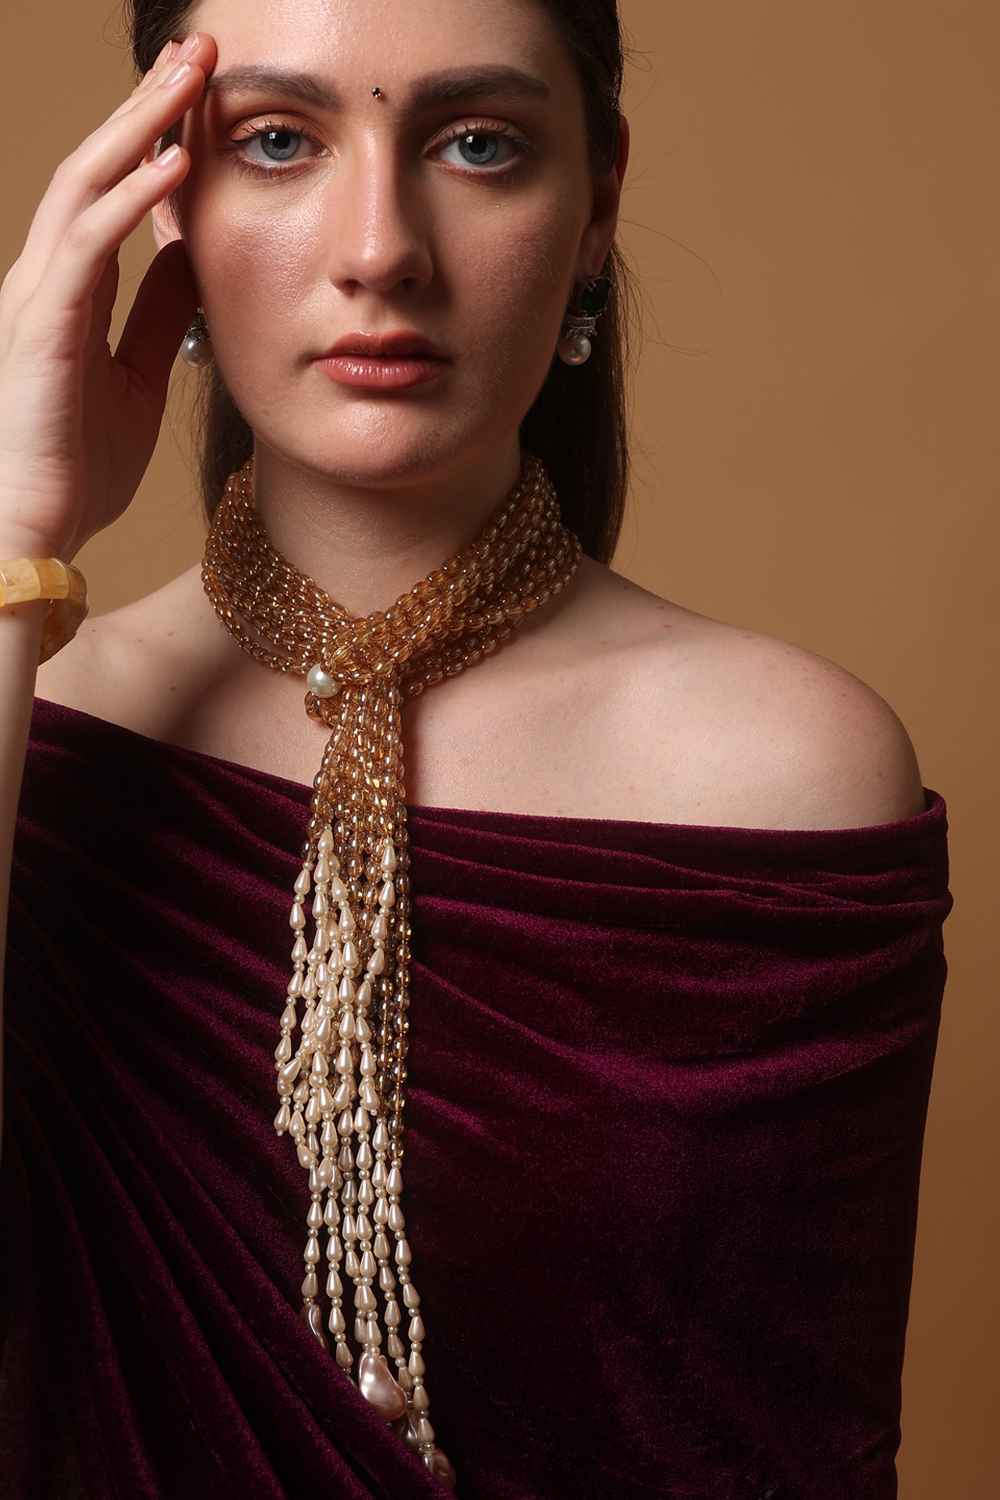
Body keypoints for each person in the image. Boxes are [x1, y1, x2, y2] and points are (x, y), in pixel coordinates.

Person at [0, 2, 954, 1497]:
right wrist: (13, 530)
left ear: (598, 203)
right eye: (276, 140)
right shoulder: (40, 725)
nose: (381, 249)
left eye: (479, 143)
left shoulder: (778, 774)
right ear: (160, 198)